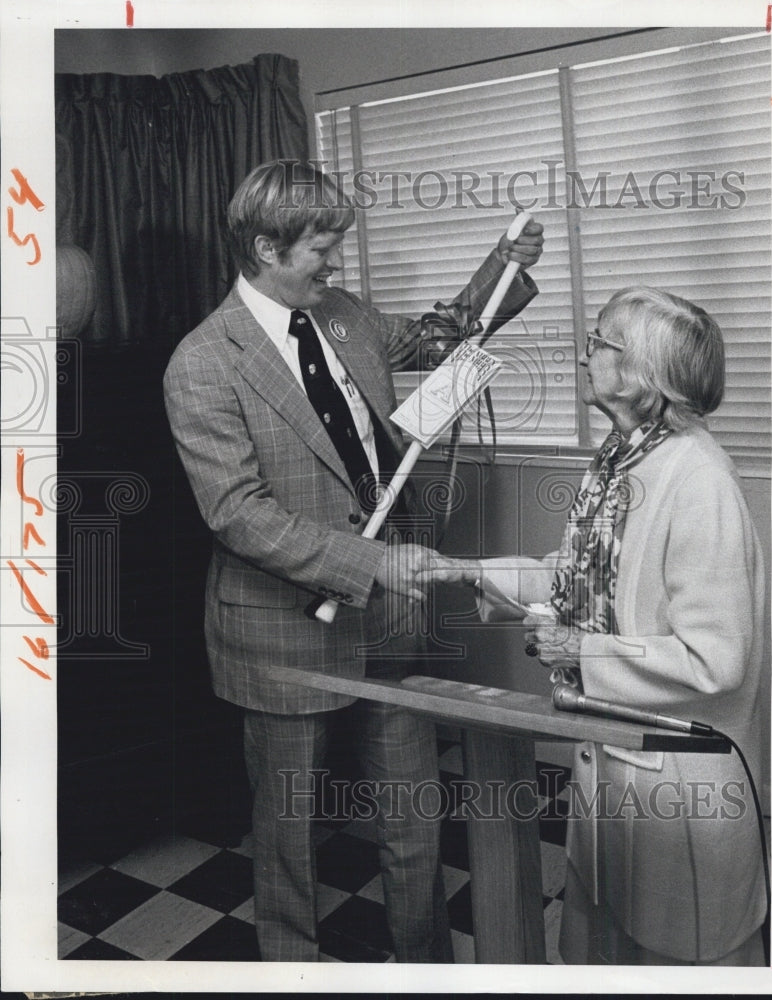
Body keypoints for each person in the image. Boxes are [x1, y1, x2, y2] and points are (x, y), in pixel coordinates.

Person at [163, 159, 544, 962]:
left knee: (413, 813)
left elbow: (446, 332)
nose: (333, 262)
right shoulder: (203, 362)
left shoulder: (341, 315)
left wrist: (506, 264)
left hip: (386, 618)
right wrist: (373, 563)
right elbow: (238, 515)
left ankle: (426, 966)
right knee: (289, 836)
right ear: (265, 246)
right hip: (282, 636)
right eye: (319, 246)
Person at [425, 286, 767, 966]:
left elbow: (717, 660)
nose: (584, 355)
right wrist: (459, 571)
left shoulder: (699, 481)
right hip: (612, 765)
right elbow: (574, 577)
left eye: (600, 343)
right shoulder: (623, 459)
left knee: (679, 957)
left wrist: (582, 648)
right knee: (606, 945)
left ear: (643, 374)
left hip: (676, 780)